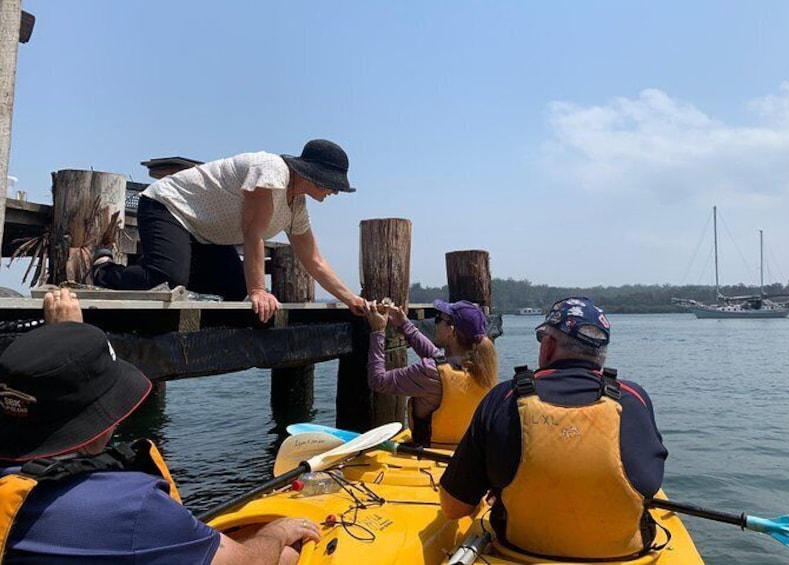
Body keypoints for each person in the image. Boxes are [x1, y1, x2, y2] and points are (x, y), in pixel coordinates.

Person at [0, 289, 320, 564]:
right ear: (100, 423)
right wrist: (278, 533)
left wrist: (68, 341)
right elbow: (244, 561)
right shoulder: (133, 509)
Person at [439, 297, 668, 561]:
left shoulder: (504, 397)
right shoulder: (634, 398)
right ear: (600, 353)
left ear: (548, 346)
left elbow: (454, 507)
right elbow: (649, 479)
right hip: (625, 557)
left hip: (518, 552)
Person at [92, 139, 367, 322]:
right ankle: (104, 270)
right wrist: (259, 290)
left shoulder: (296, 206)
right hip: (169, 206)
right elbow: (253, 234)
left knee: (235, 290)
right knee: (165, 278)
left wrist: (351, 299)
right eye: (333, 185)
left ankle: (155, 266)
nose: (335, 191)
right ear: (313, 175)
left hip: (205, 234)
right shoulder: (271, 170)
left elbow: (314, 260)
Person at [363, 299, 498, 447]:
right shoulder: (483, 369)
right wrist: (404, 324)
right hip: (463, 452)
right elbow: (437, 359)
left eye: (439, 318)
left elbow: (378, 381)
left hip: (430, 453)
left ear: (451, 331)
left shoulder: (429, 372)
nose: (436, 323)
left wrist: (378, 331)